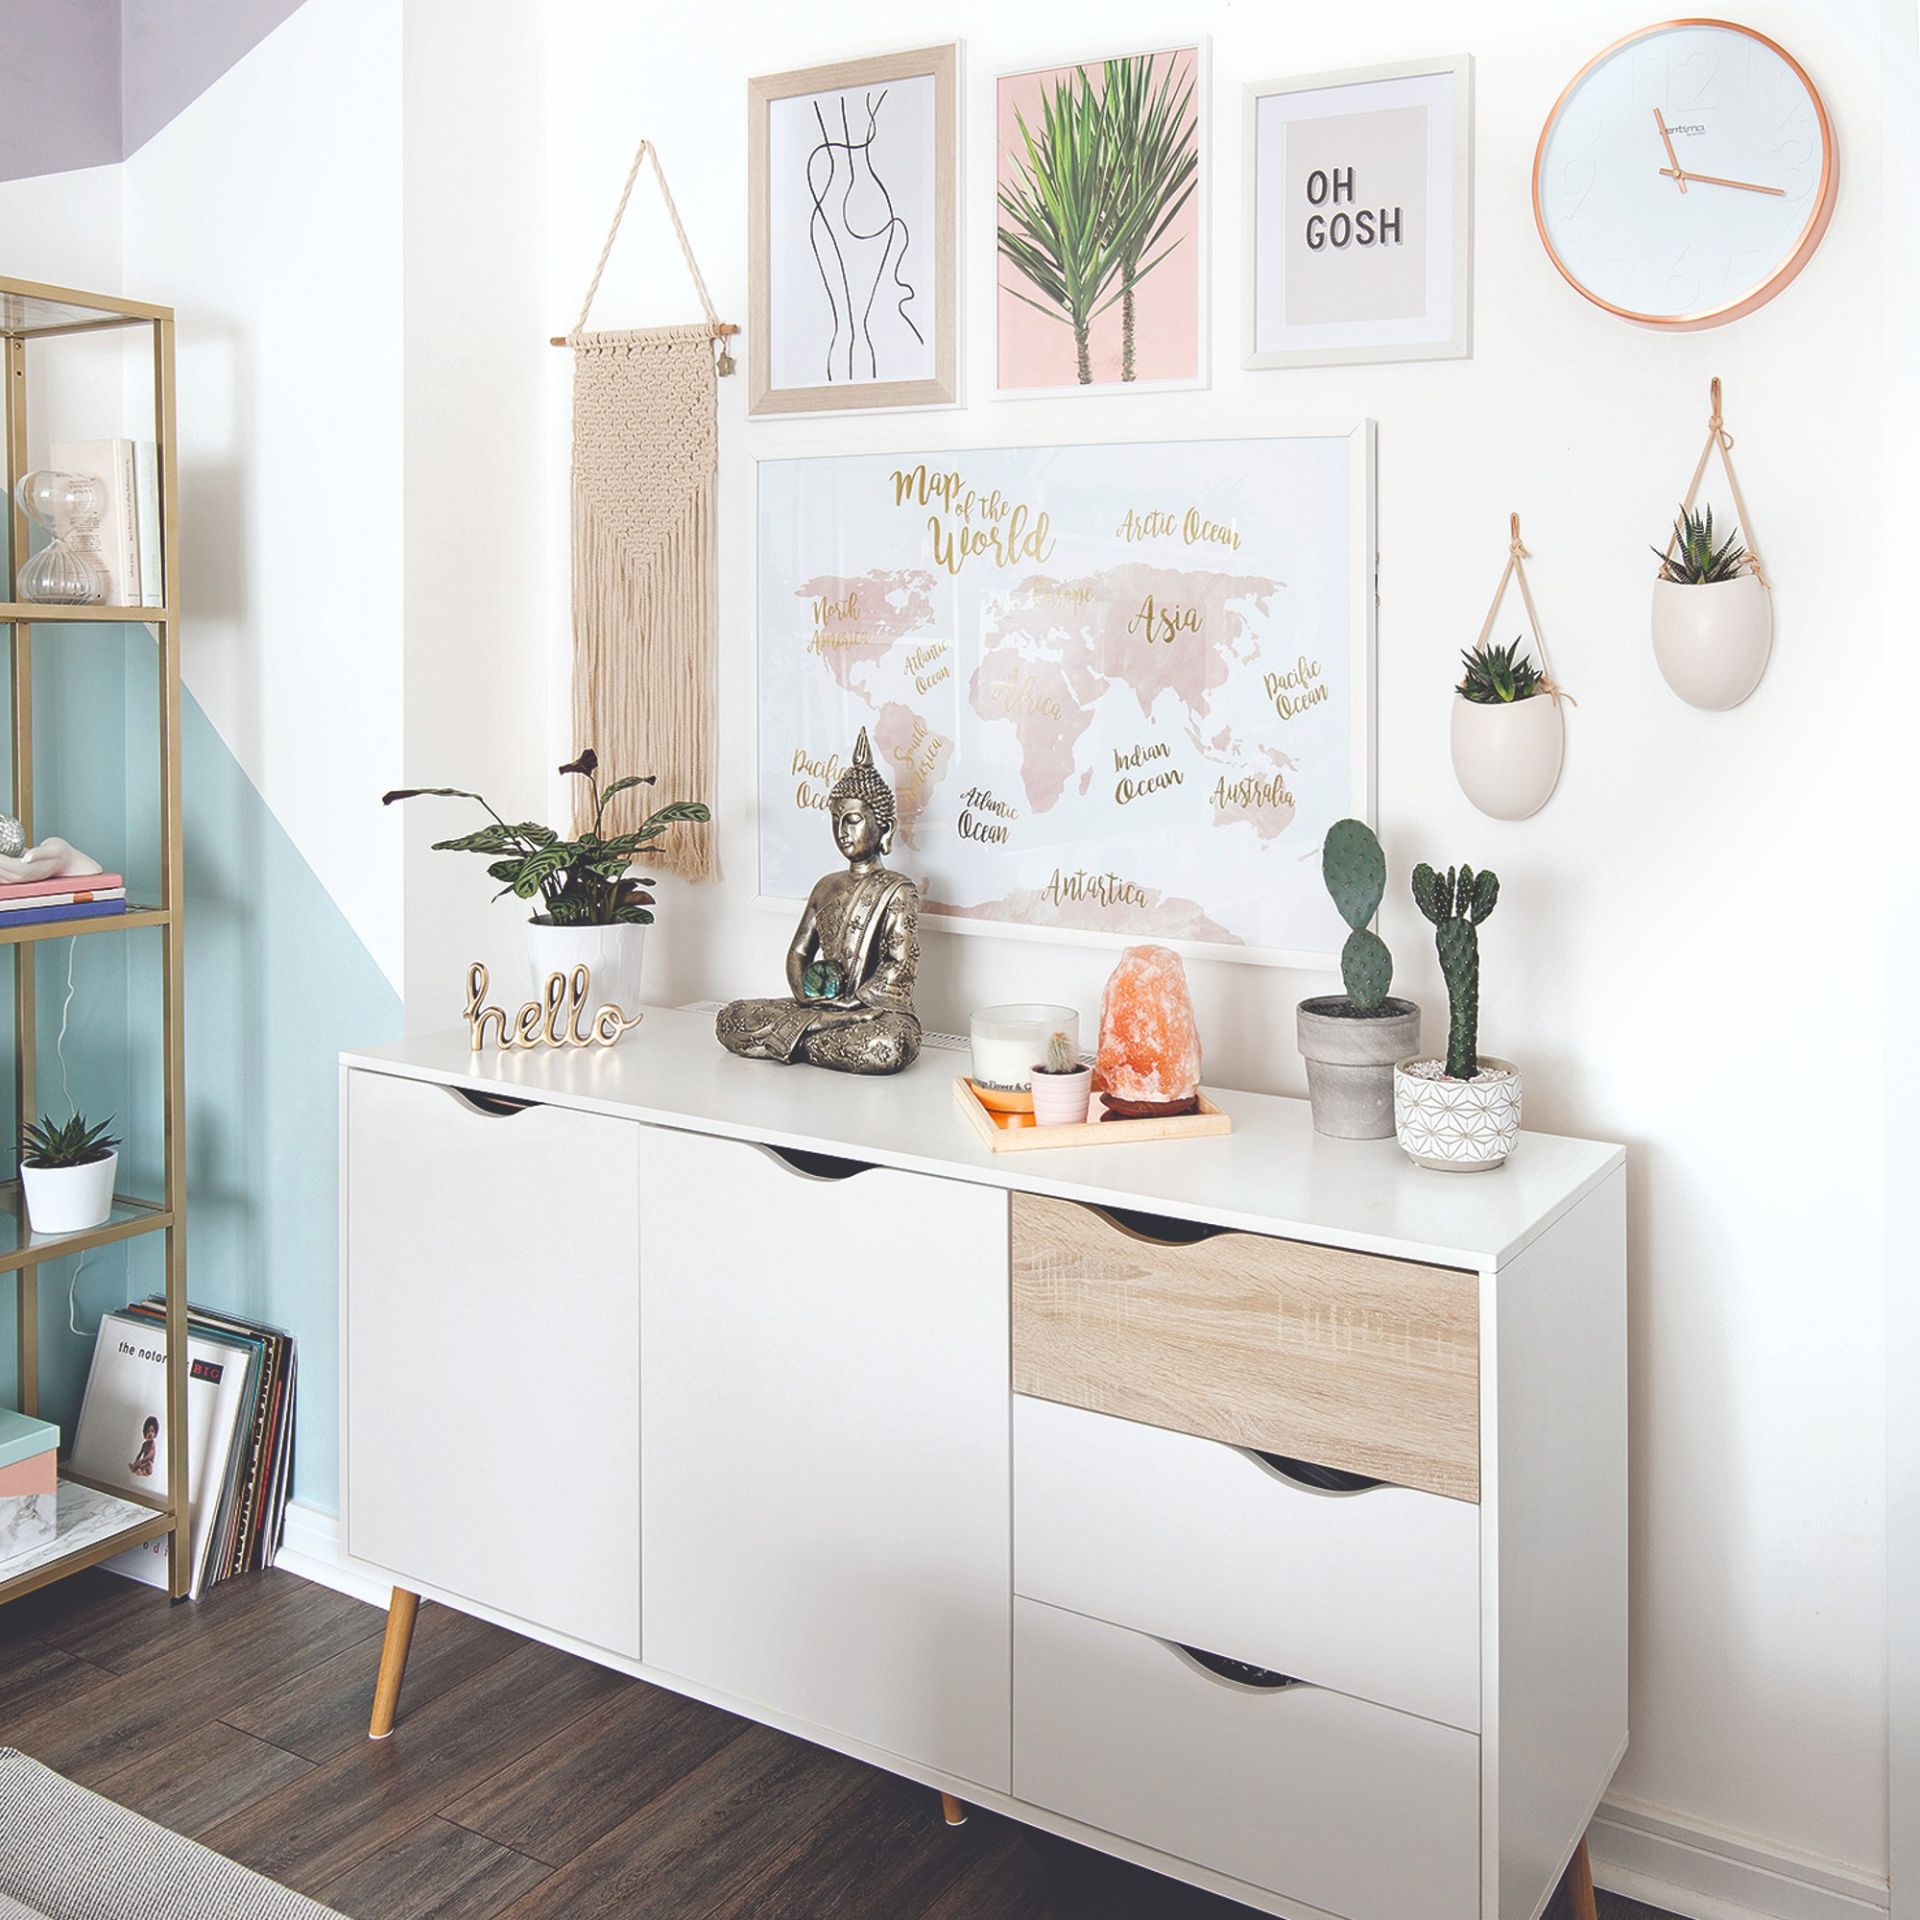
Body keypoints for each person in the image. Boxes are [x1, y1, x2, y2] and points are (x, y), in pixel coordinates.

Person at [716, 729, 921, 1075]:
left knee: (890, 1046)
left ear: (883, 825)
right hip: (823, 1007)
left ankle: (795, 1040)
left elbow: (900, 966)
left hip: (873, 1011)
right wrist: (806, 995)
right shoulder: (826, 886)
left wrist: (854, 1002)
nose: (842, 830)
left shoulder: (897, 889)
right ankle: (812, 1035)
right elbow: (799, 952)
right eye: (835, 820)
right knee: (730, 1018)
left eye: (853, 819)